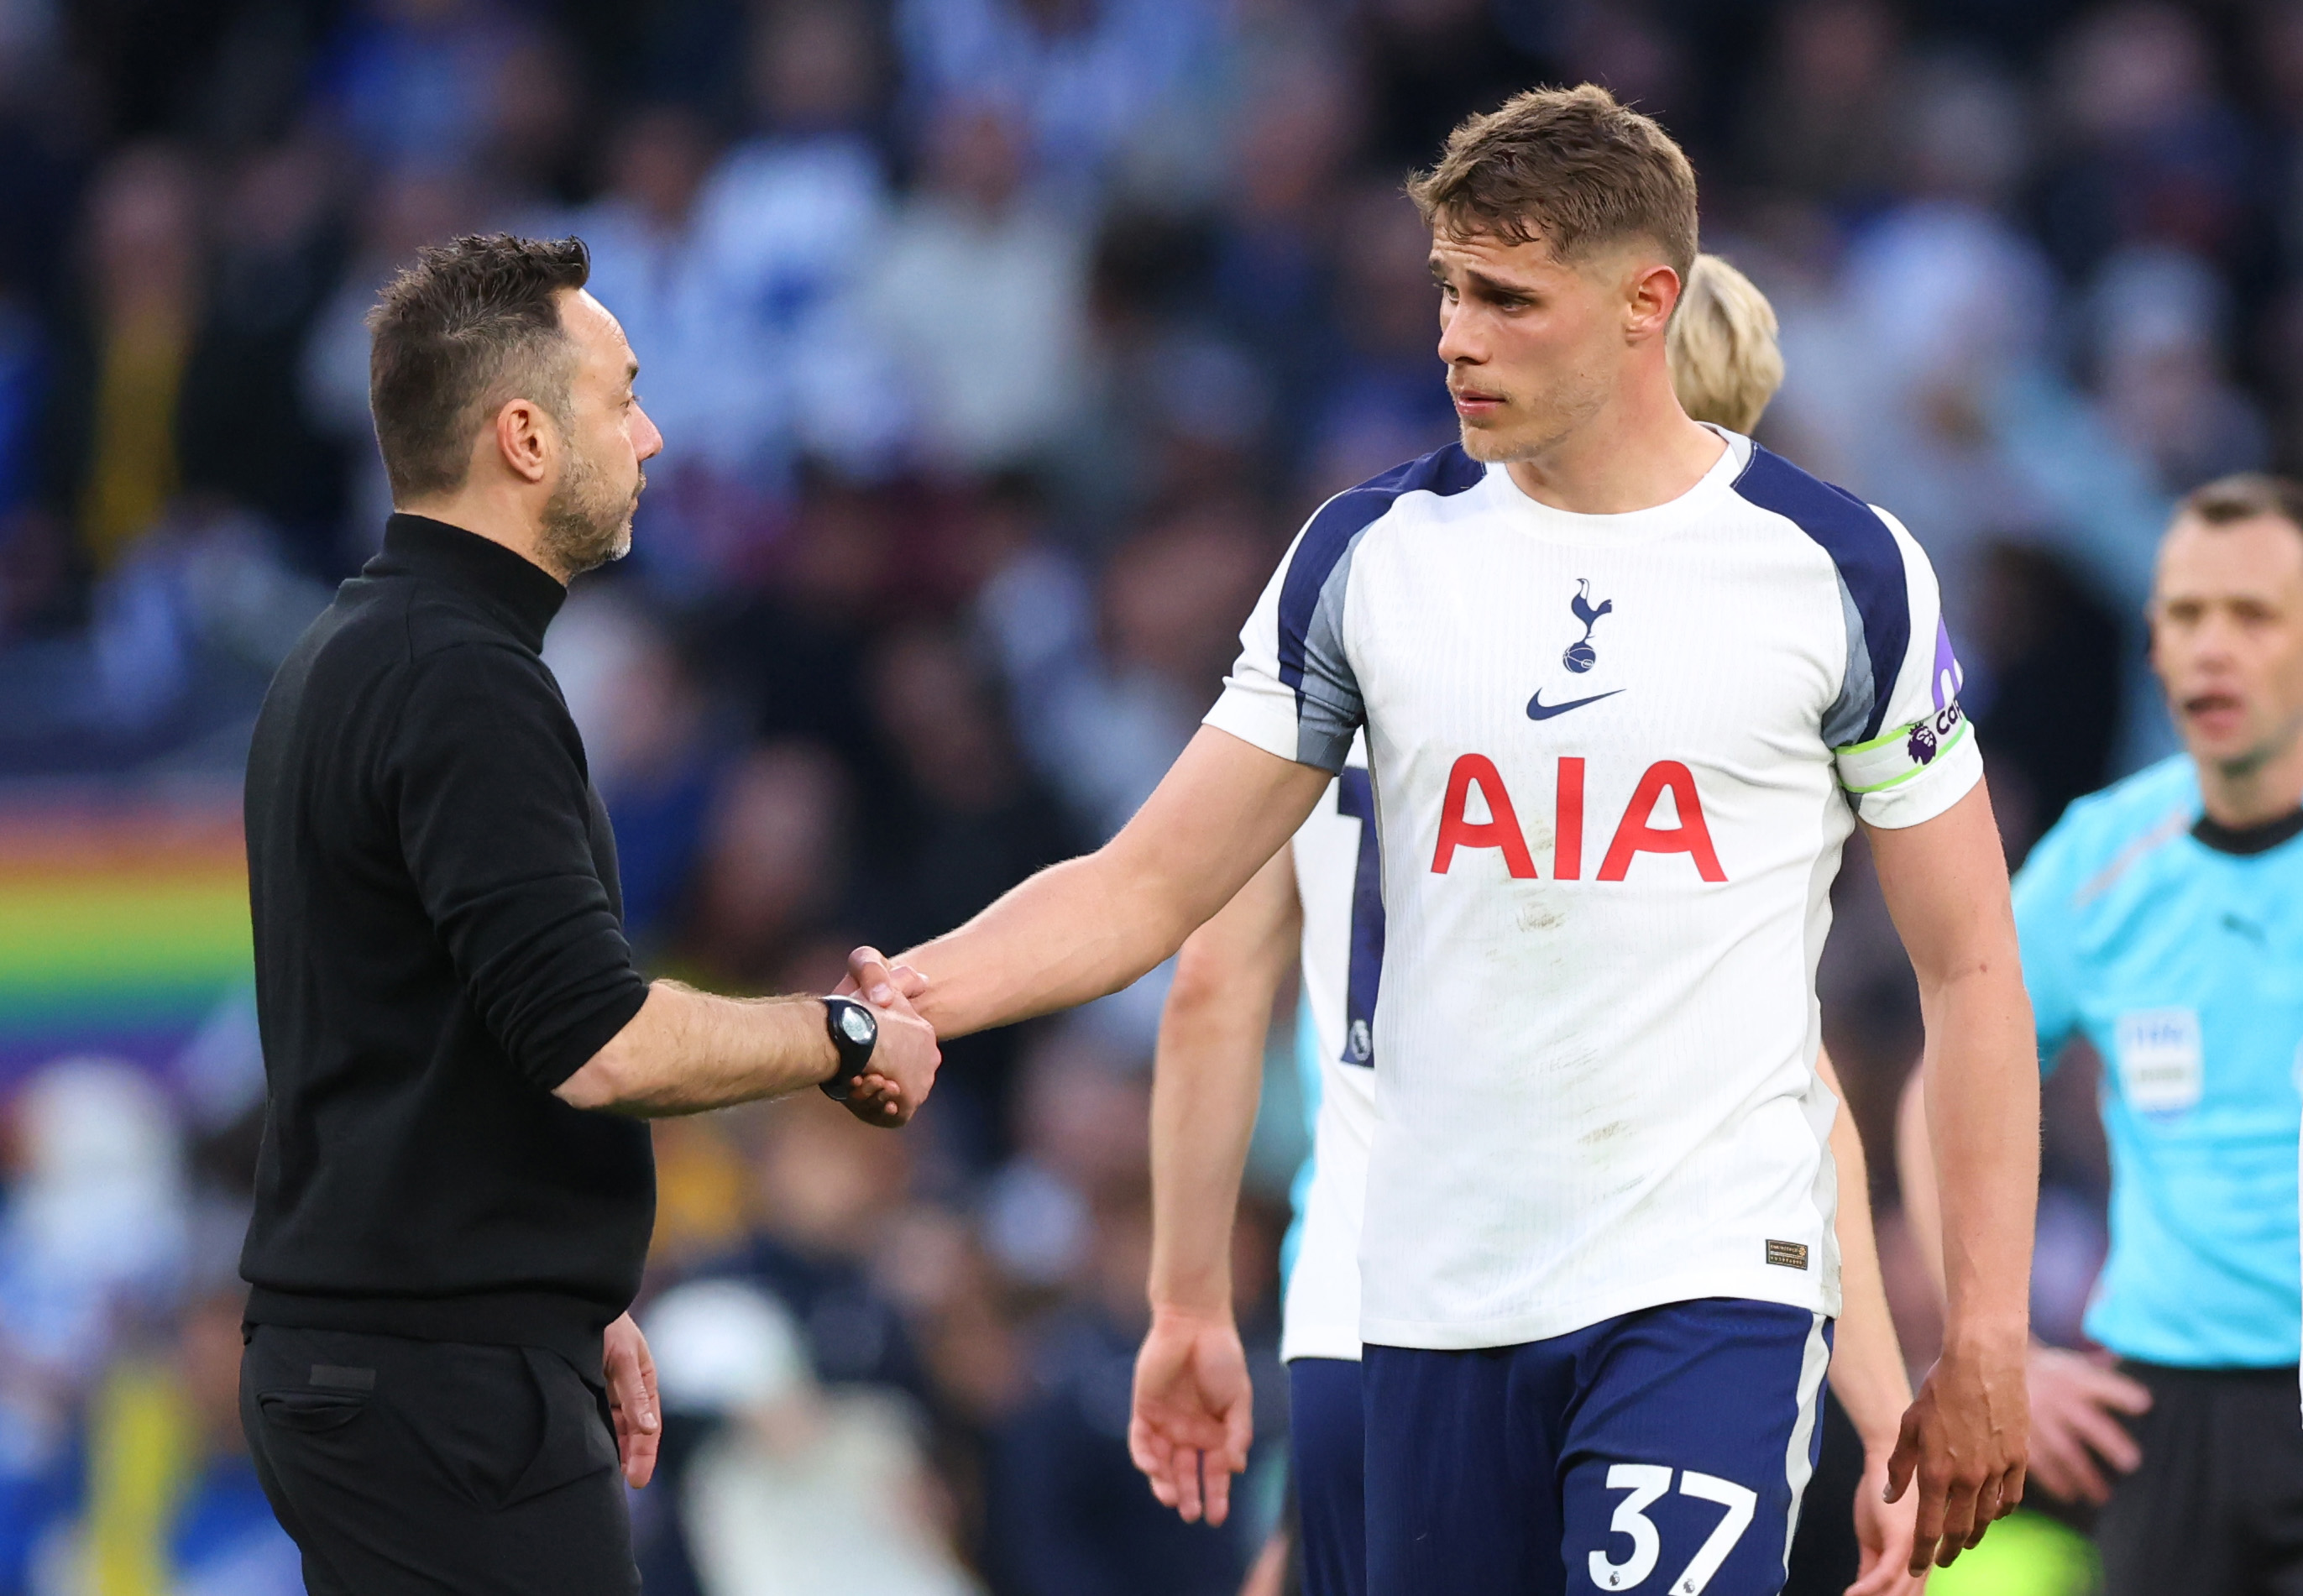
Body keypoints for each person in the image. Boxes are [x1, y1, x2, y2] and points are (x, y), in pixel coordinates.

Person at [858, 85, 2038, 1592]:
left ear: (1645, 307)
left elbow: (1971, 963)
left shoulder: (1841, 570)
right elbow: (1150, 885)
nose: (1452, 336)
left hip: (1709, 1283)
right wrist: (907, 997)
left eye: (1505, 297)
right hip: (1427, 1297)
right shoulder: (1367, 558)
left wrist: (1984, 1331)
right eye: (1446, 291)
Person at [1123, 252, 1924, 1596]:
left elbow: (1209, 978)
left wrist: (1188, 1295)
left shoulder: (1377, 611)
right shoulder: (1708, 682)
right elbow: (1797, 1083)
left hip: (1368, 1294)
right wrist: (1886, 1396)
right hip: (1641, 1277)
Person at [237, 233, 940, 1596]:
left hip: (407, 1364)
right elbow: (598, 1040)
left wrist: (562, 1299)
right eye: (622, 395)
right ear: (525, 436)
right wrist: (843, 1033)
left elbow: (433, 1037)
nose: (655, 435)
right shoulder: (459, 677)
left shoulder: (347, 652)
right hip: (438, 1396)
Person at [1901, 473, 2303, 1593]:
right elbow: (1951, 1080)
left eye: (2254, 614)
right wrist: (1997, 1340)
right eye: (2183, 615)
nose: (2211, 648)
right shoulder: (2103, 860)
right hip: (2166, 1413)